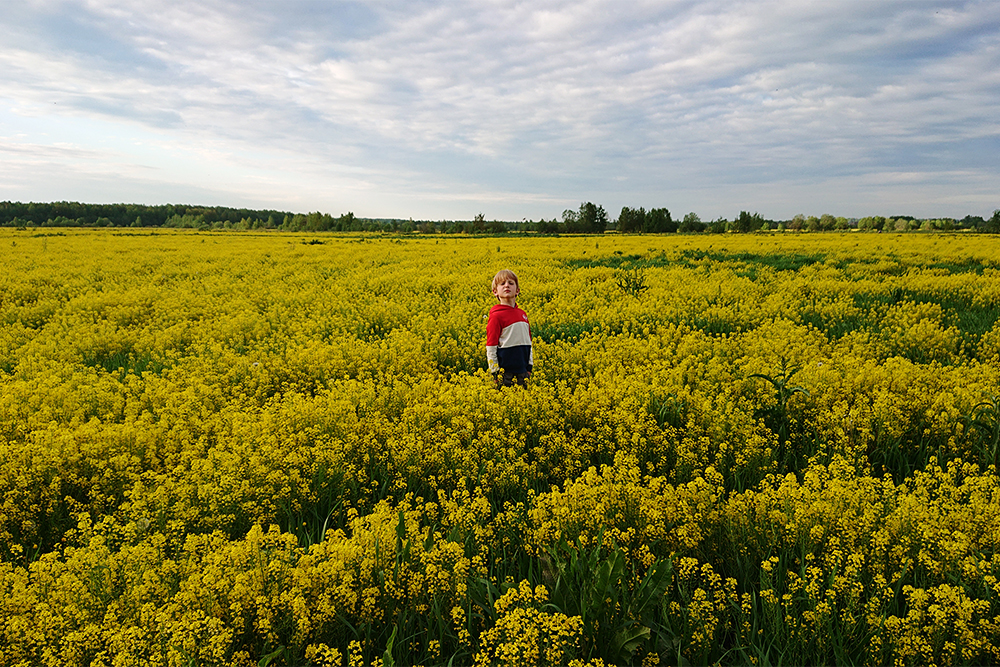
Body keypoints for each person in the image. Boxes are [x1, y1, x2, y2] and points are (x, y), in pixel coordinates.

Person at [486, 269, 533, 388]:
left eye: (511, 283)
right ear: (495, 292)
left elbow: (529, 342)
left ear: (517, 291)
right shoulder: (496, 316)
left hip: (522, 371)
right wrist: (495, 372)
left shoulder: (523, 315)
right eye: (502, 284)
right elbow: (491, 346)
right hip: (505, 373)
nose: (507, 285)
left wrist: (529, 367)